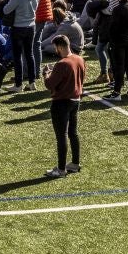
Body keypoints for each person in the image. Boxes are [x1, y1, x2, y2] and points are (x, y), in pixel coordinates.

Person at [43, 36, 84, 178]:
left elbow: (49, 84)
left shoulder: (62, 64)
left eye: (56, 48)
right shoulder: (79, 59)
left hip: (61, 102)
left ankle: (61, 169)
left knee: (62, 136)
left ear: (60, 47)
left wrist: (46, 74)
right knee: (73, 133)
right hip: (75, 100)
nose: (56, 51)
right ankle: (75, 163)